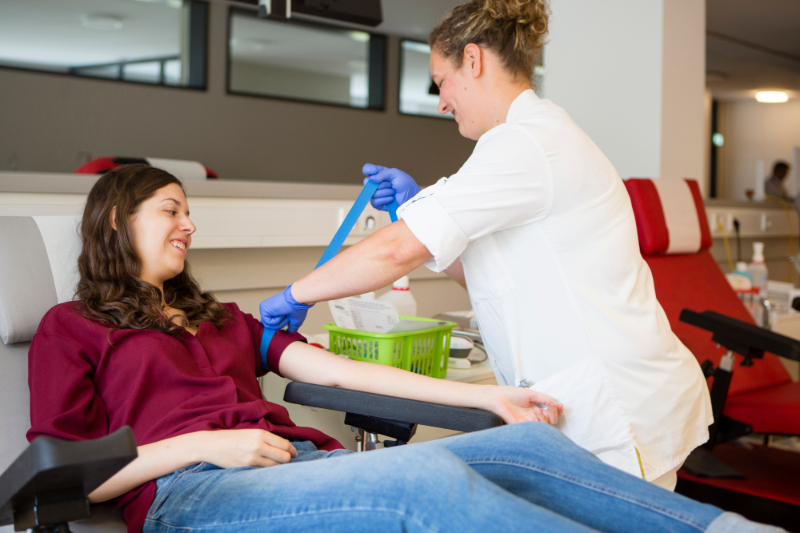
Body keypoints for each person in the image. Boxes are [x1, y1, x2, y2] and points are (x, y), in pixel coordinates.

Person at [27, 164, 782, 533]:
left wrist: (486, 396)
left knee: (529, 450)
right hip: (189, 493)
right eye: (170, 211)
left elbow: (342, 368)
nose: (188, 226)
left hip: (296, 462)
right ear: (115, 219)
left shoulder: (218, 317)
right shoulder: (72, 326)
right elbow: (65, 481)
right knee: (427, 480)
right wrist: (207, 445)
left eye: (190, 213)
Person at [259, 0, 713, 491]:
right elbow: (487, 273)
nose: (441, 101)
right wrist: (416, 208)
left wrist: (296, 294)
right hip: (601, 401)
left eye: (442, 81)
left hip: (617, 410)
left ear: (472, 60)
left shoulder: (525, 144)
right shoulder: (526, 142)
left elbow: (393, 252)